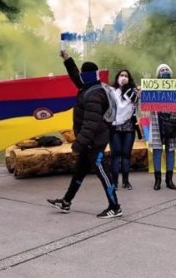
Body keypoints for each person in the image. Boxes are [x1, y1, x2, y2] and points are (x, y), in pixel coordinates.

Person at [47, 51, 121, 219]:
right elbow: (75, 76)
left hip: (95, 141)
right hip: (90, 140)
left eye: (82, 73)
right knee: (80, 170)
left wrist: (78, 143)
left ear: (86, 76)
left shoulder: (94, 95)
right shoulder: (89, 86)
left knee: (102, 171)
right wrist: (67, 60)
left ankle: (115, 206)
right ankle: (66, 202)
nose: (79, 75)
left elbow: (91, 124)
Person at [149, 64, 176, 191]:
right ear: (158, 74)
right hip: (157, 122)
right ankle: (157, 180)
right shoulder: (151, 87)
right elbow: (144, 103)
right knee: (157, 151)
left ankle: (169, 180)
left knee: (170, 151)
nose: (164, 71)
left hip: (171, 122)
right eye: (162, 70)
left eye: (167, 69)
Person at [109, 69, 139, 190]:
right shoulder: (111, 91)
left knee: (126, 155)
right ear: (117, 77)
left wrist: (131, 90)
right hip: (114, 127)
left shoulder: (133, 92)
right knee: (115, 155)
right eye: (121, 75)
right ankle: (114, 182)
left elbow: (137, 104)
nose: (123, 77)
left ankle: (126, 182)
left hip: (129, 128)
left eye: (126, 76)